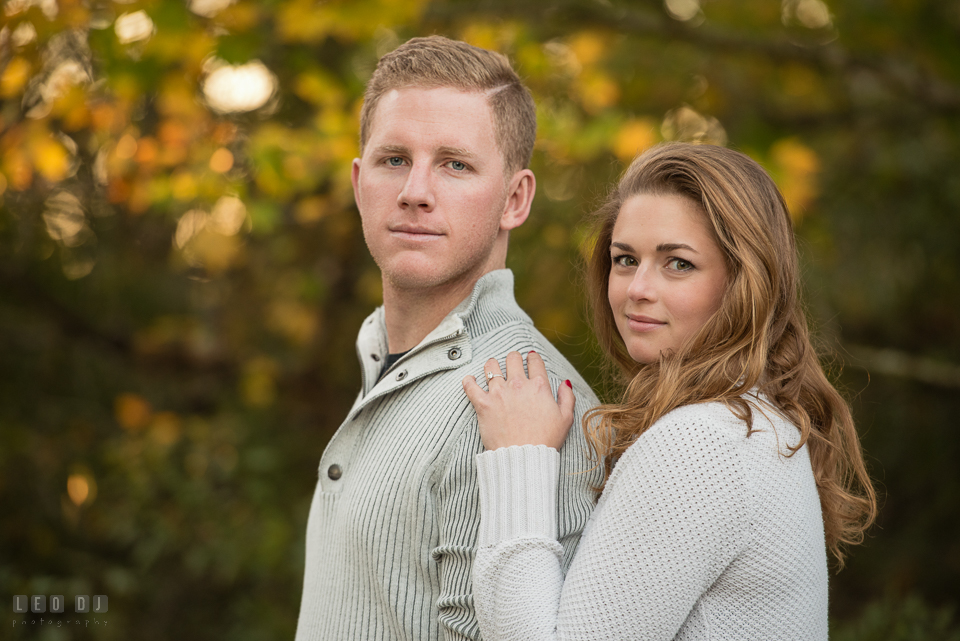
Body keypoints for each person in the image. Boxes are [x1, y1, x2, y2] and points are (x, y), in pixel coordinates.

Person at [463, 142, 877, 640]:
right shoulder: (752, 422)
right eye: (624, 259)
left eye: (677, 263)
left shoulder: (705, 443)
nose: (637, 288)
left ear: (744, 282)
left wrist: (520, 457)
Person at [294, 36, 603, 641]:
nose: (415, 190)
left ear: (515, 199)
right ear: (359, 183)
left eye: (455, 165)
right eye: (393, 160)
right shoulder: (382, 359)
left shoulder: (533, 402)